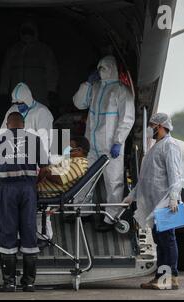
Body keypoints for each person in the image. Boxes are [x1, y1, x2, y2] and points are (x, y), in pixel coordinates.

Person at [0, 112, 49, 292]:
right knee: (29, 230)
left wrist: (2, 182)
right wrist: (33, 183)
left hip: (8, 190)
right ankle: (29, 283)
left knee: (8, 231)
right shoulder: (34, 139)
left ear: (7, 124)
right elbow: (45, 168)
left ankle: (9, 283)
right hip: (28, 190)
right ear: (23, 124)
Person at [73, 55, 135, 232]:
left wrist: (118, 141)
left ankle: (111, 218)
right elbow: (78, 103)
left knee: (113, 182)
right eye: (99, 68)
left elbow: (127, 119)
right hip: (91, 145)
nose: (101, 72)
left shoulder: (121, 91)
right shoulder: (95, 87)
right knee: (85, 178)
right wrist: (86, 84)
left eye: (104, 68)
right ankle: (82, 212)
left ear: (113, 69)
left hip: (111, 146)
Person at [124, 113, 182, 290]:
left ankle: (170, 277)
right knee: (160, 240)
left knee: (167, 240)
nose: (150, 129)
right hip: (155, 203)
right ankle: (161, 277)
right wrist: (133, 195)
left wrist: (173, 197)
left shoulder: (170, 146)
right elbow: (146, 178)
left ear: (161, 126)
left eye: (152, 125)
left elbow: (175, 175)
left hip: (166, 202)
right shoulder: (155, 147)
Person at [0, 82, 54, 244]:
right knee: (17, 204)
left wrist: (39, 165)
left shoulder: (42, 113)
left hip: (35, 165)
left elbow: (44, 141)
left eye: (21, 103)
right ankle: (18, 236)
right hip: (15, 165)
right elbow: (3, 134)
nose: (18, 106)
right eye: (15, 103)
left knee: (38, 203)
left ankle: (43, 235)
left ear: (28, 100)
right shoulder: (12, 111)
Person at [0, 20, 59, 107]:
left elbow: (52, 71)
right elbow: (6, 72)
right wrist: (3, 91)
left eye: (29, 31)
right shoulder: (14, 50)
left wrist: (52, 90)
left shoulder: (43, 50)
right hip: (17, 94)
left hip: (38, 94)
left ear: (35, 32)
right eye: (25, 31)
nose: (27, 34)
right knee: (18, 116)